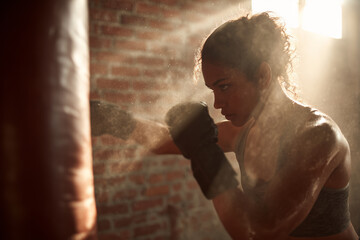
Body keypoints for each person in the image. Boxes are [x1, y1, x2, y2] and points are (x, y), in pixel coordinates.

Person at [90, 12, 359, 240]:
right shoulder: (244, 131)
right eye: (213, 90)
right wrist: (113, 120)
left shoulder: (318, 135)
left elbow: (257, 229)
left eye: (225, 87)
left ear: (263, 75)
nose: (217, 104)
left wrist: (206, 154)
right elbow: (167, 140)